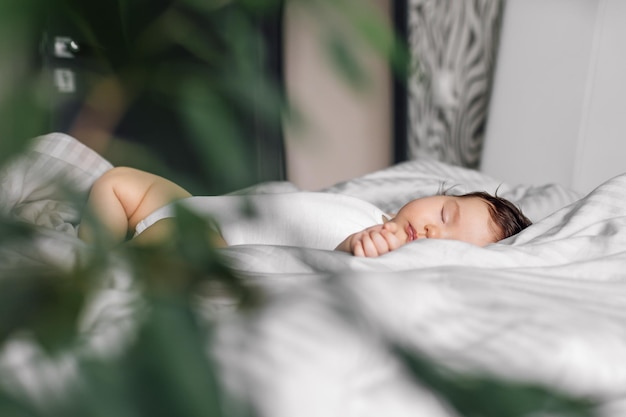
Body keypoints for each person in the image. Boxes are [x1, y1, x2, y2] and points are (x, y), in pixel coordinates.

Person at [78, 167, 532, 257]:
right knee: (117, 180)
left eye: (445, 240)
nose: (431, 228)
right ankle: (88, 249)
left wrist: (366, 246)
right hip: (192, 208)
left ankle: (97, 265)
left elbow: (348, 256)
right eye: (445, 213)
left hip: (208, 241)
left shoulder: (380, 247)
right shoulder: (371, 211)